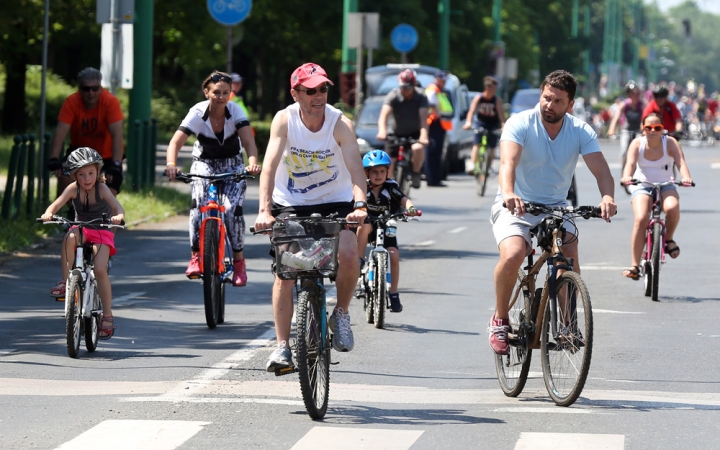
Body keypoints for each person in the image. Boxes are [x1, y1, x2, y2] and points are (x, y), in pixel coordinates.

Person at [488, 70, 617, 355]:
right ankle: (499, 319)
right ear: (540, 94)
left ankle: (568, 326)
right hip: (516, 203)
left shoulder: (580, 131)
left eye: (558, 101)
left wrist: (607, 196)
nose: (550, 105)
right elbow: (508, 163)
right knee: (513, 253)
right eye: (547, 97)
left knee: (568, 253)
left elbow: (602, 170)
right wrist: (509, 192)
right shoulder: (520, 123)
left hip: (556, 206)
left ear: (570, 105)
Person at [253, 62, 368, 372]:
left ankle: (341, 314)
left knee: (347, 254)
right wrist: (264, 210)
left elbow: (356, 167)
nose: (319, 96)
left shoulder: (340, 123)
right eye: (311, 90)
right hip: (290, 201)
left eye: (323, 89)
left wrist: (360, 204)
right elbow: (270, 166)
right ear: (295, 93)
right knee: (286, 273)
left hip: (336, 200)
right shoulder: (284, 120)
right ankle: (281, 347)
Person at [165, 71, 262, 287]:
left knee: (230, 210)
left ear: (230, 94)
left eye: (225, 93)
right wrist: (171, 165)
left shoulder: (235, 111)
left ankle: (238, 262)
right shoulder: (197, 112)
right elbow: (175, 143)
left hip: (232, 164)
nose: (220, 97)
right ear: (206, 92)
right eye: (216, 92)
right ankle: (196, 256)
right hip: (204, 164)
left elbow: (248, 142)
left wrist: (252, 162)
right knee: (198, 205)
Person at [42, 147, 125, 339]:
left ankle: (107, 316)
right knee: (70, 238)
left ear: (98, 172)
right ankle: (67, 281)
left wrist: (118, 216)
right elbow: (55, 204)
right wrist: (49, 214)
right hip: (82, 228)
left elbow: (116, 207)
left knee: (100, 269)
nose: (87, 178)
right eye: (81, 174)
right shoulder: (73, 189)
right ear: (74, 176)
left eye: (91, 173)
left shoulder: (102, 188)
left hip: (102, 231)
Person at [620, 113, 693, 280]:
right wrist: (627, 177)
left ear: (663, 129)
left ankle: (669, 239)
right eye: (648, 128)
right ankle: (635, 265)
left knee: (672, 208)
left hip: (666, 183)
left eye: (657, 128)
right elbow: (630, 164)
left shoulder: (670, 142)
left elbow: (680, 162)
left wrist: (686, 177)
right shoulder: (637, 143)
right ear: (642, 129)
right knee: (641, 218)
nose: (652, 131)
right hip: (642, 184)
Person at [47, 68, 124, 203]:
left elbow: (117, 135)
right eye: (86, 89)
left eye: (95, 88)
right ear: (80, 89)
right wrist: (54, 158)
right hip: (78, 153)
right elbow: (60, 132)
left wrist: (116, 163)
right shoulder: (72, 102)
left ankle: (105, 219)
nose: (91, 93)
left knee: (108, 198)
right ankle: (69, 213)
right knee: (64, 175)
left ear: (101, 88)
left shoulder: (110, 102)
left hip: (105, 156)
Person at [356, 150, 419, 312]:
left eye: (382, 171)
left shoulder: (391, 187)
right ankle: (359, 260)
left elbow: (404, 199)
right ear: (366, 172)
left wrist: (410, 208)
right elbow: (352, 199)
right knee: (365, 226)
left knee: (394, 254)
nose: (379, 175)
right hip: (367, 223)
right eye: (374, 171)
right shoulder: (361, 187)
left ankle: (394, 293)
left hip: (385, 224)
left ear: (387, 172)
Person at [377, 69, 429, 189]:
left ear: (414, 85)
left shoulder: (421, 96)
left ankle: (416, 173)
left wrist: (424, 136)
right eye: (403, 87)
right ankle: (388, 185)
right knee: (389, 160)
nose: (405, 90)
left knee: (418, 148)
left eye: (408, 87)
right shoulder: (393, 95)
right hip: (396, 133)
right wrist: (382, 131)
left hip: (414, 133)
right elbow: (383, 116)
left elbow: (423, 119)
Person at [607, 81, 645, 194]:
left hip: (639, 130)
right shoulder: (625, 104)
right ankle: (625, 175)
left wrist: (644, 130)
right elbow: (616, 117)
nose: (636, 96)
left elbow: (644, 118)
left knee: (640, 151)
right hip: (626, 130)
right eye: (633, 93)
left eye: (637, 93)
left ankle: (637, 174)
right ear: (629, 95)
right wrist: (611, 129)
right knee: (624, 152)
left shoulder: (641, 105)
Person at [463, 76, 505, 175]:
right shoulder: (479, 98)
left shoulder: (496, 100)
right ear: (487, 88)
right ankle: (472, 164)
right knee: (476, 144)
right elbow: (471, 112)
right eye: (493, 88)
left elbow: (501, 116)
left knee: (492, 147)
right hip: (481, 122)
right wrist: (468, 122)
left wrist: (503, 125)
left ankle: (488, 167)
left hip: (493, 124)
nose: (495, 91)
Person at [424, 70, 454, 186]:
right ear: (436, 79)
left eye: (445, 80)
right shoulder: (433, 88)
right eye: (442, 80)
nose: (444, 82)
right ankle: (432, 179)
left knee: (436, 153)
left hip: (439, 124)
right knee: (433, 153)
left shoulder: (439, 90)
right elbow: (431, 103)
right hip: (434, 123)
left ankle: (435, 178)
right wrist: (437, 113)